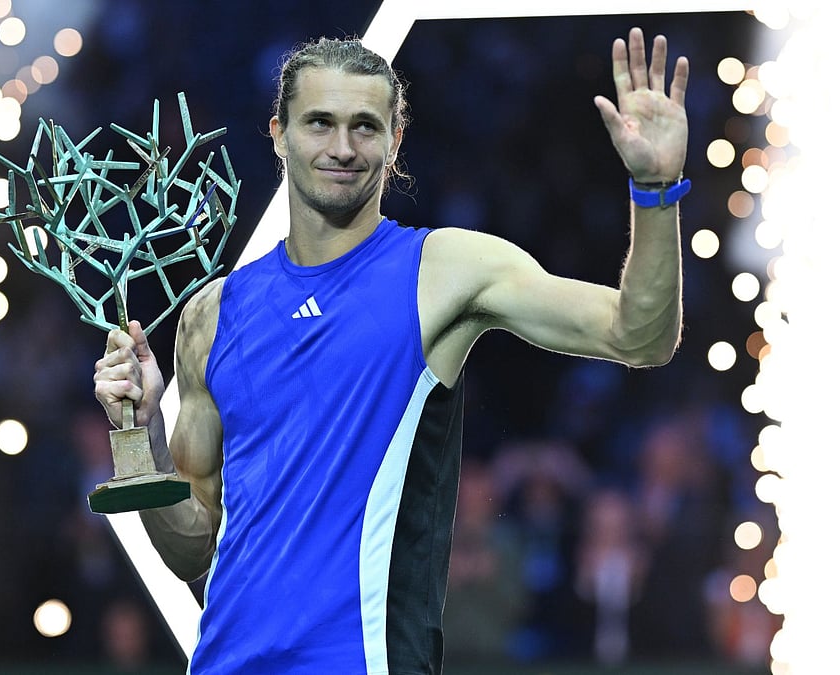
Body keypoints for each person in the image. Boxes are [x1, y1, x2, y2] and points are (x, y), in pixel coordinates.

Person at [93, 27, 689, 675]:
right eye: (319, 122)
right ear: (278, 134)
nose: (343, 147)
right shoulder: (212, 315)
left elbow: (639, 336)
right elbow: (192, 550)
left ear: (394, 141)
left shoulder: (445, 270)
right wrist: (137, 432)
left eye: (365, 127)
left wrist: (655, 193)